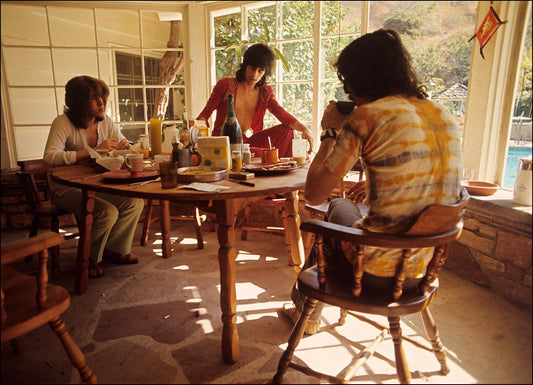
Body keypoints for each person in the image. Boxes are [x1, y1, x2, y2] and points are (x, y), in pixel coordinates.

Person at [282, 29, 463, 335]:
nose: (347, 89)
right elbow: (433, 177)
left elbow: (313, 195)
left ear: (361, 78)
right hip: (423, 270)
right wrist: (384, 184)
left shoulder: (366, 116)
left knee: (338, 206)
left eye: (348, 80)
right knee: (350, 212)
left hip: (376, 274)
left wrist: (329, 131)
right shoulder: (443, 114)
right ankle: (307, 310)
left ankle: (306, 313)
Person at [44, 75, 145, 279]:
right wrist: (93, 150)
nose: (101, 103)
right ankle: (89, 258)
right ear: (79, 102)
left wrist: (127, 146)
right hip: (65, 189)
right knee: (106, 212)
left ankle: (114, 249)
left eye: (102, 97)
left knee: (134, 202)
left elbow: (124, 143)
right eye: (94, 98)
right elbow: (50, 157)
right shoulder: (62, 123)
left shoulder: (105, 122)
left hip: (96, 184)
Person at [196, 43, 313, 158]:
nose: (254, 74)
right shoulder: (225, 85)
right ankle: (262, 159)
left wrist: (304, 129)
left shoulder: (264, 92)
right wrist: (198, 141)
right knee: (258, 153)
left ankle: (281, 169)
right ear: (245, 65)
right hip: (223, 144)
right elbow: (204, 116)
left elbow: (281, 113)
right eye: (252, 68)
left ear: (265, 73)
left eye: (260, 71)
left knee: (287, 131)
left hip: (246, 143)